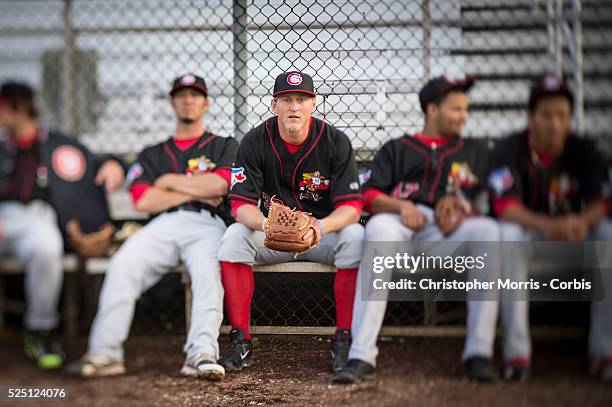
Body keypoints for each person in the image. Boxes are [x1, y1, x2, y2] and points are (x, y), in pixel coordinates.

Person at [66, 74, 238, 380]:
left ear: (206, 102)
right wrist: (196, 188)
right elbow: (144, 201)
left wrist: (169, 182)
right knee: (122, 265)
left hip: (207, 225)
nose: (188, 100)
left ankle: (201, 353)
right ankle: (106, 354)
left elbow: (220, 185)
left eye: (195, 95)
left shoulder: (223, 145)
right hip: (162, 225)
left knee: (208, 272)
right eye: (181, 95)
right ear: (172, 102)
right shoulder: (152, 153)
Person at [335, 75, 502, 383]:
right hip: (401, 228)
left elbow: (492, 200)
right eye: (456, 109)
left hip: (447, 234)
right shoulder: (398, 149)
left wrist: (463, 208)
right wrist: (401, 206)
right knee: (380, 229)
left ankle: (479, 353)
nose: (464, 116)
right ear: (433, 110)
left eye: (465, 109)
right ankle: (361, 355)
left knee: (489, 232)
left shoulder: (475, 151)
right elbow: (368, 196)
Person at [218, 71, 364, 373]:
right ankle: (240, 338)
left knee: (355, 238)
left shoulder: (335, 142)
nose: (294, 107)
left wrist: (320, 227)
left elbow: (351, 207)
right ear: (274, 105)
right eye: (286, 100)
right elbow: (240, 205)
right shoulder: (255, 141)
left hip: (320, 234)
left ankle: (344, 336)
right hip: (273, 236)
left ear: (314, 104)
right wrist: (267, 227)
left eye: (302, 99)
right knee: (234, 238)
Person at [489, 74, 612, 382]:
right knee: (509, 235)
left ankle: (604, 350)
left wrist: (582, 222)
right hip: (534, 235)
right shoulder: (508, 149)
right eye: (546, 115)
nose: (554, 123)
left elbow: (603, 201)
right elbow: (506, 207)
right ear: (531, 117)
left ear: (571, 118)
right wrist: (551, 225)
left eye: (562, 115)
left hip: (574, 237)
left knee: (607, 233)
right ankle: (516, 353)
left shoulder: (584, 149)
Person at [0, 81, 125, 370]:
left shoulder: (55, 142)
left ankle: (39, 330)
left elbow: (92, 160)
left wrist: (114, 163)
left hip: (37, 217)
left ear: (19, 107)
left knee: (47, 246)